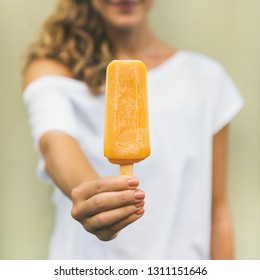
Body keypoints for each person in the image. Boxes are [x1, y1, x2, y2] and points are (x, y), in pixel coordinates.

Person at [22, 0, 243, 260]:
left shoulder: (206, 79)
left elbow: (217, 214)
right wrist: (89, 192)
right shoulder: (53, 72)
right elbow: (54, 144)